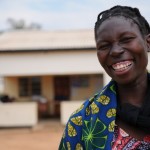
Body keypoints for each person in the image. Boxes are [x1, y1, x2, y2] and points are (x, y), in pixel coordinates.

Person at [59, 5, 150, 150]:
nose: (115, 51)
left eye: (126, 39)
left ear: (147, 43)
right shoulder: (82, 122)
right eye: (104, 46)